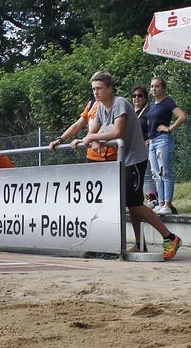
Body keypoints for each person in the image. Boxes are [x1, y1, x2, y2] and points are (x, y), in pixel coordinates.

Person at [75, 71, 182, 260]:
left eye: (99, 88)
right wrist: (94, 139)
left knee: (132, 203)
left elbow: (116, 131)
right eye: (93, 89)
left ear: (110, 88)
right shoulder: (100, 107)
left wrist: (93, 137)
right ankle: (140, 244)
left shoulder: (120, 103)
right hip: (124, 160)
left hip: (135, 159)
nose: (96, 93)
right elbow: (93, 131)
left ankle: (170, 237)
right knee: (132, 204)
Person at [146, 77, 186, 215]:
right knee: (156, 174)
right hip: (152, 141)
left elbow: (181, 116)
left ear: (162, 88)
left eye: (156, 86)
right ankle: (161, 202)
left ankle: (167, 204)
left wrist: (170, 128)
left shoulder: (167, 102)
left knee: (165, 172)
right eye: (152, 86)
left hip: (162, 140)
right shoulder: (151, 106)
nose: (153, 89)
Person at [48, 97, 117, 162]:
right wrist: (60, 139)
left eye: (99, 88)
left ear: (109, 89)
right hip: (91, 156)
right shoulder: (92, 104)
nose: (96, 92)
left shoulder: (115, 104)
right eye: (94, 88)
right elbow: (77, 125)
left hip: (110, 157)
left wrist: (84, 140)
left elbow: (112, 130)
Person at [130, 86, 158, 210]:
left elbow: (153, 126)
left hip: (145, 146)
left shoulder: (148, 111)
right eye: (134, 95)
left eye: (140, 95)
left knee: (148, 173)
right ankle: (142, 199)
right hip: (132, 149)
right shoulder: (130, 112)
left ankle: (153, 199)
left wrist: (148, 140)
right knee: (135, 176)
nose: (137, 98)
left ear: (145, 97)